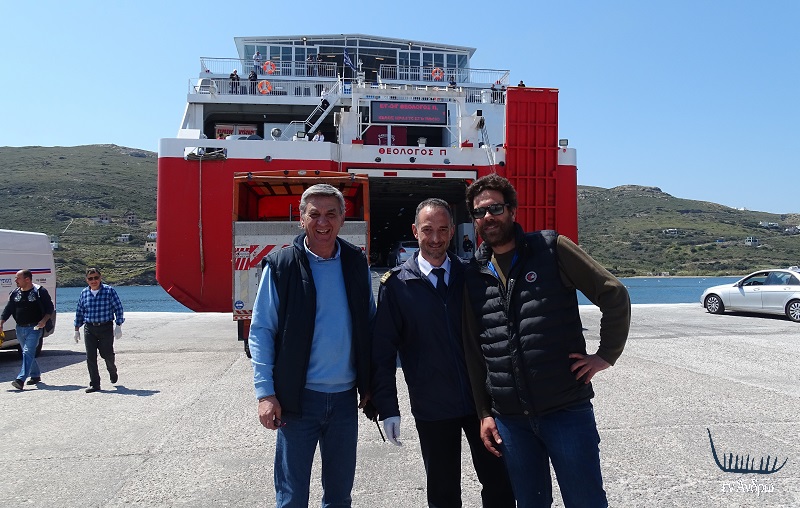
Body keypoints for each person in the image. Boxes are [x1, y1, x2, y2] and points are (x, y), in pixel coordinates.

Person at [462, 173, 631, 507]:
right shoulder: (474, 274)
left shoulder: (551, 249)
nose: (488, 217)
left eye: (495, 208)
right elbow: (474, 350)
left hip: (565, 411)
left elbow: (614, 293)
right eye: (479, 212)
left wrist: (605, 355)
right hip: (511, 420)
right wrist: (484, 412)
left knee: (585, 502)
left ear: (512, 210)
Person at [372, 198, 515, 508]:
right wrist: (388, 407)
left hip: (482, 404)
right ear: (415, 231)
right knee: (443, 493)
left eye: (442, 229)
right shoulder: (396, 286)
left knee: (501, 485)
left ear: (452, 231)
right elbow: (382, 353)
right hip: (432, 407)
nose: (435, 238)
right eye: (427, 230)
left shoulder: (471, 275)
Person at [249, 183, 376, 507]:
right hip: (297, 401)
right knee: (292, 497)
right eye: (314, 214)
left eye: (331, 214)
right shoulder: (282, 266)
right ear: (301, 219)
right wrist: (265, 394)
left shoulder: (355, 263)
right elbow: (262, 330)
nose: (323, 222)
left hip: (345, 401)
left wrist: (372, 384)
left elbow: (370, 325)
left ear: (342, 219)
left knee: (339, 497)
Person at [73, 268, 125, 393]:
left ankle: (112, 370)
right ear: (87, 280)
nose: (93, 281)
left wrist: (118, 325)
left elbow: (118, 308)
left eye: (96, 278)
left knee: (106, 354)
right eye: (90, 279)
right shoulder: (84, 293)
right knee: (90, 357)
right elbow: (80, 311)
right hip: (89, 328)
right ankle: (95, 384)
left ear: (100, 278)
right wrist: (76, 329)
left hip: (105, 327)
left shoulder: (109, 291)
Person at [1, 269, 54, 390]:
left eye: (18, 278)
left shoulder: (39, 291)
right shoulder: (15, 293)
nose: (15, 280)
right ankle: (35, 375)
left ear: (27, 279)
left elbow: (49, 308)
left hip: (35, 328)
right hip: (20, 328)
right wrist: (1, 322)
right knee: (28, 354)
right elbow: (9, 309)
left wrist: (43, 321)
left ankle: (20, 379)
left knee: (27, 352)